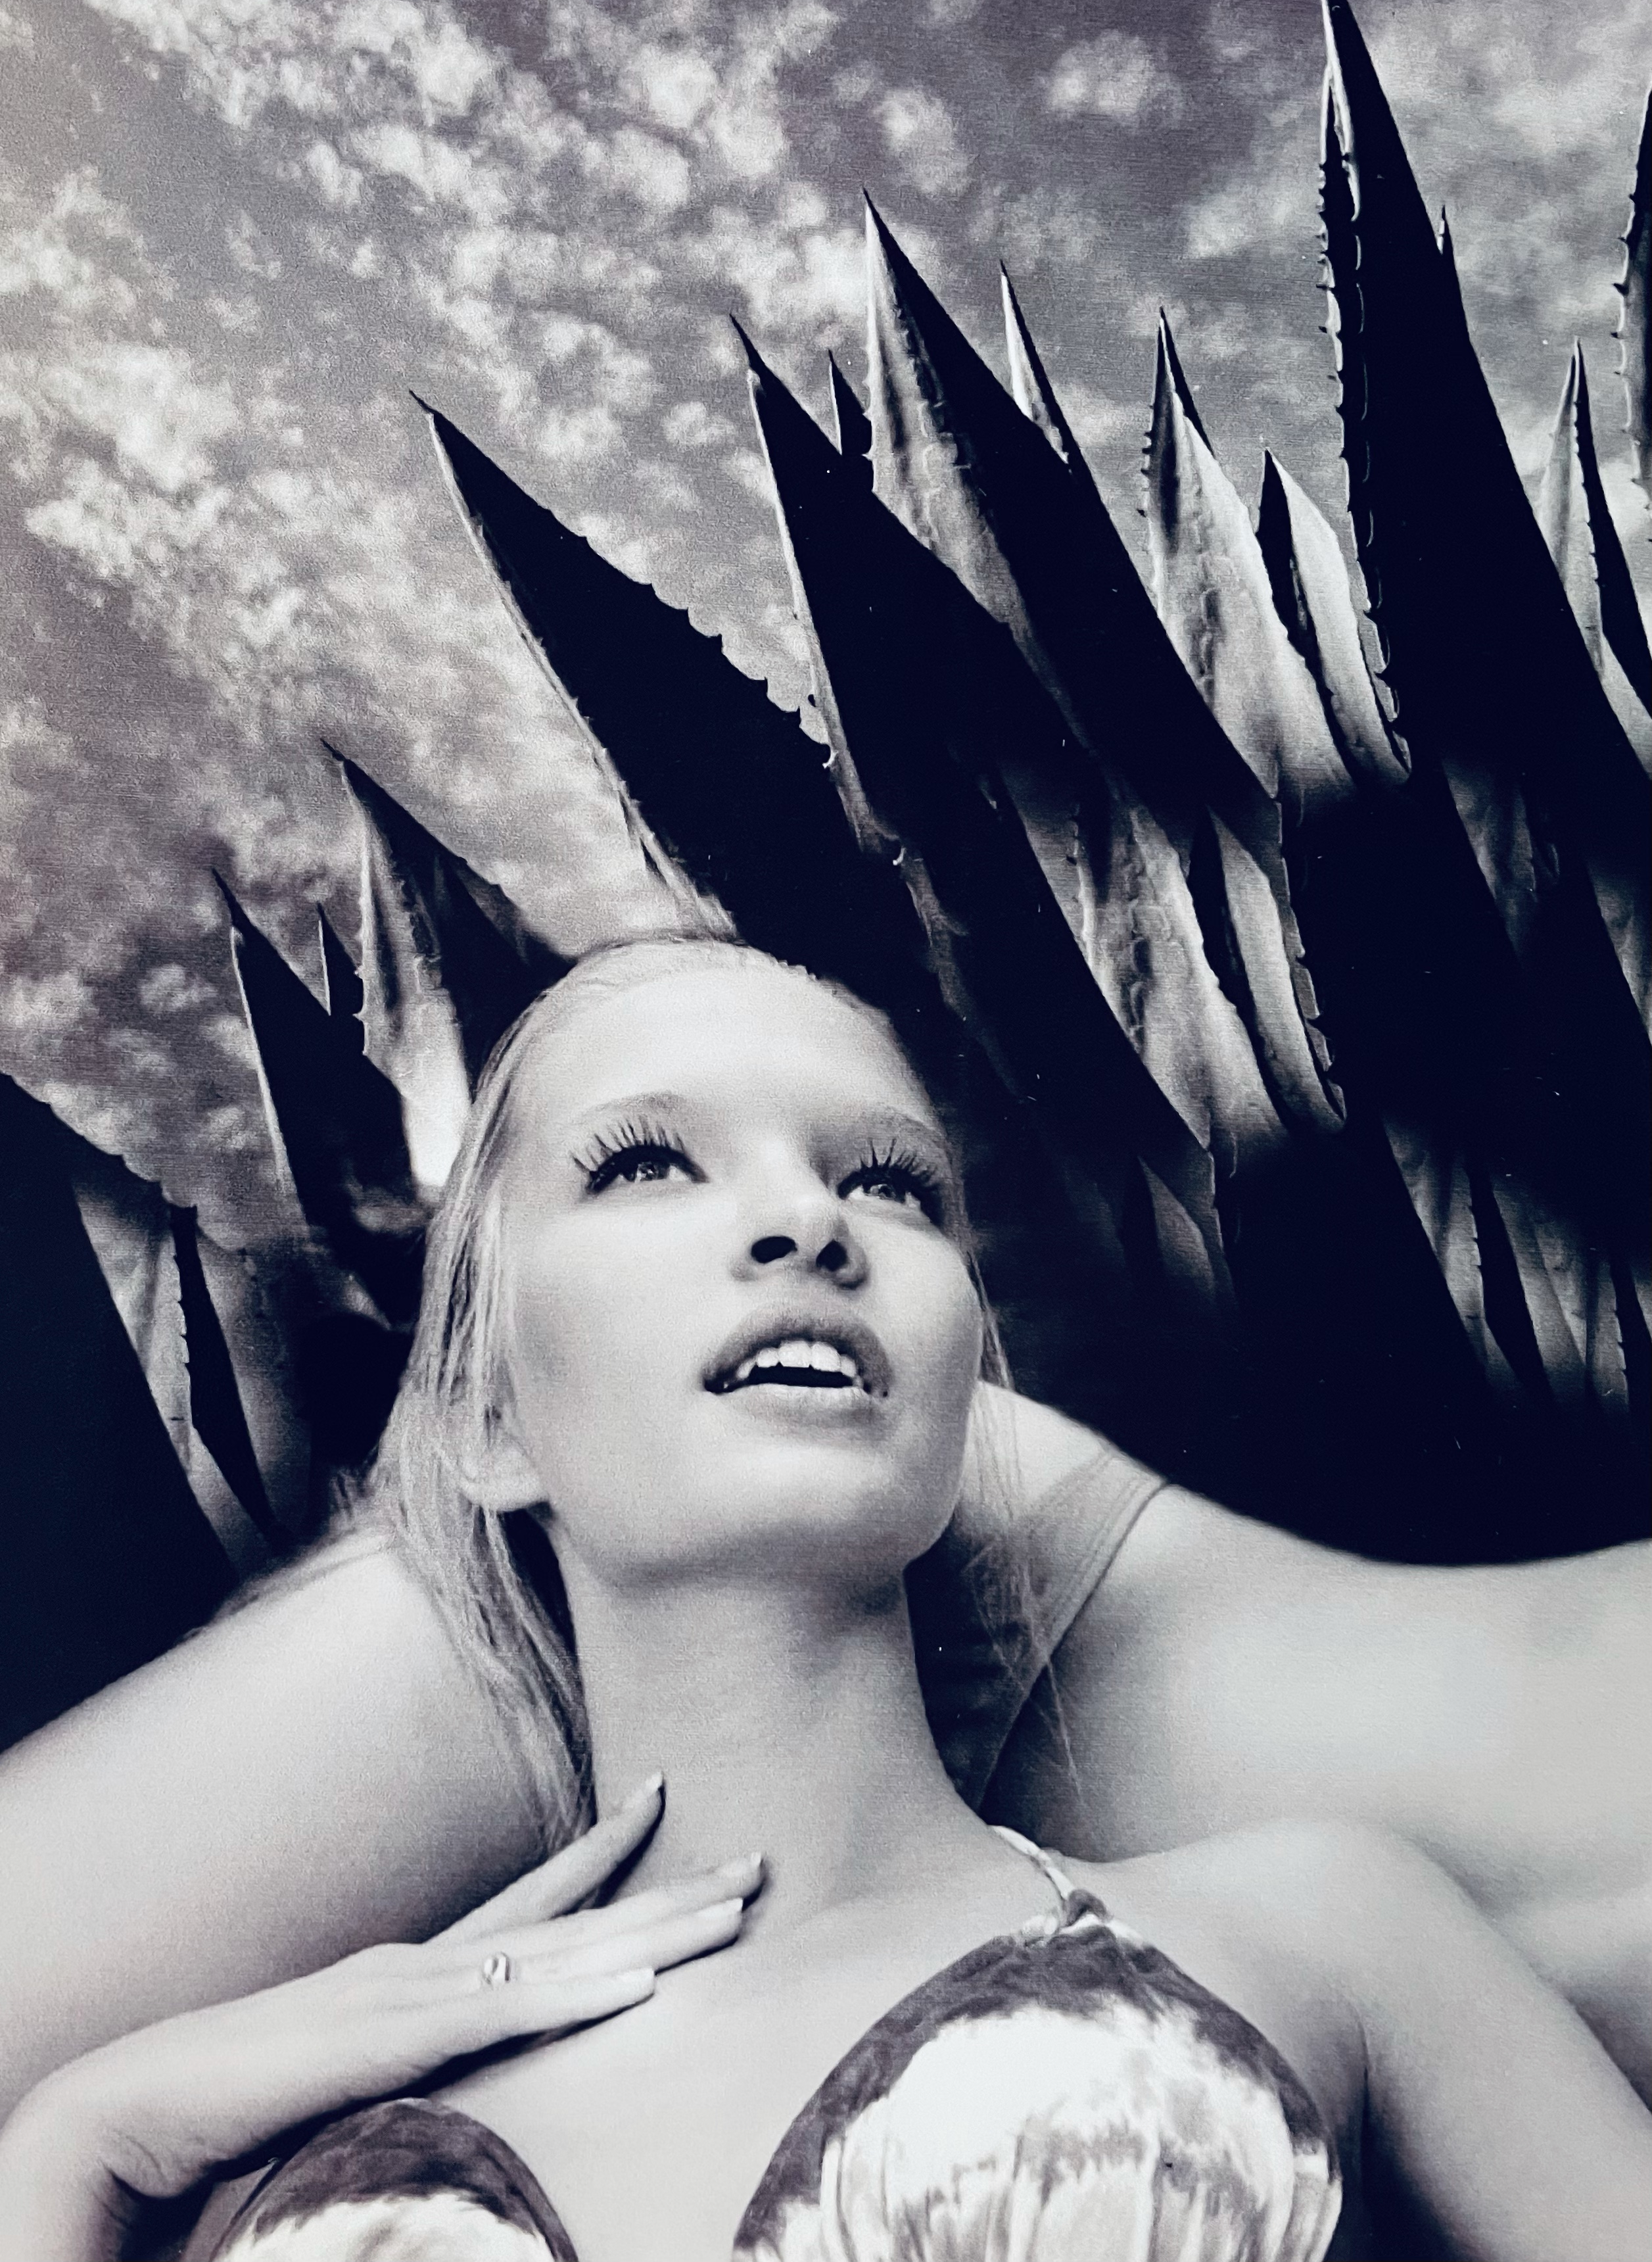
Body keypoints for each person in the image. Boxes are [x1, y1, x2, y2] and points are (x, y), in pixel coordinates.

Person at [1, 936, 1646, 2259]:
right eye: (648, 1163)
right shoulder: (245, 2171)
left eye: (894, 1185)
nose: (808, 1220)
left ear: (967, 1387)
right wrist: (77, 2148)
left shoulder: (1330, 1931)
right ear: (490, 1420)